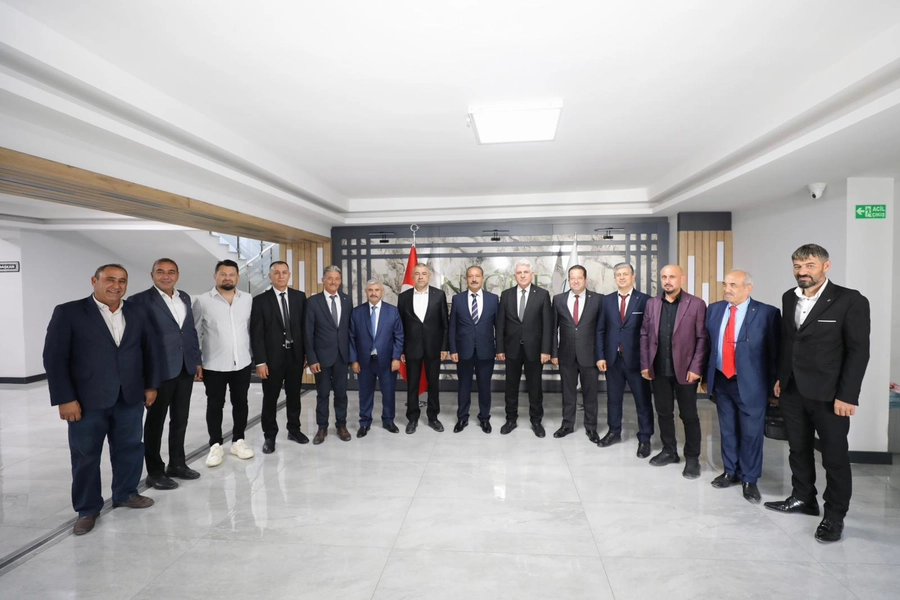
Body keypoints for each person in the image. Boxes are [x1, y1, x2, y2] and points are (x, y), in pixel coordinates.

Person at [764, 244, 870, 543]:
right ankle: (803, 498)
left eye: (809, 265)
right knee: (797, 448)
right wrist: (781, 377)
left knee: (834, 456)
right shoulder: (789, 297)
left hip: (829, 394)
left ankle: (834, 516)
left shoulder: (850, 300)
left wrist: (848, 395)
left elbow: (858, 351)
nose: (802, 271)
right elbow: (789, 342)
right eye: (798, 266)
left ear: (826, 266)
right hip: (793, 390)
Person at [43, 264, 159, 535]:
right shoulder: (69, 312)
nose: (116, 286)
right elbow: (54, 358)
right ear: (94, 281)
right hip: (86, 401)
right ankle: (87, 508)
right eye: (110, 280)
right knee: (85, 455)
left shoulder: (138, 311)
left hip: (129, 396)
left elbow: (150, 350)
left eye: (122, 281)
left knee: (130, 448)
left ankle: (126, 493)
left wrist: (151, 386)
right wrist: (64, 398)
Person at [705, 270, 780, 503]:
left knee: (751, 433)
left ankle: (749, 479)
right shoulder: (714, 310)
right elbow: (708, 345)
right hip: (722, 380)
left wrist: (774, 386)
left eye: (733, 285)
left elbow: (775, 353)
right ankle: (731, 472)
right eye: (725, 284)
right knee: (727, 429)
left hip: (752, 384)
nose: (727, 289)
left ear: (748, 288)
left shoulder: (767, 313)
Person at [129, 258, 203, 490]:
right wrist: (145, 378)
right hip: (158, 371)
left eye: (171, 272)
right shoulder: (139, 301)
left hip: (184, 368)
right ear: (152, 275)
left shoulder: (185, 297)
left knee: (180, 419)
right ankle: (155, 472)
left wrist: (196, 360)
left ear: (177, 275)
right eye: (160, 272)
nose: (166, 276)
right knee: (155, 423)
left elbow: (189, 331)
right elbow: (137, 341)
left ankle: (177, 464)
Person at [640, 264, 709, 479]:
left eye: (672, 277)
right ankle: (669, 451)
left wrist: (696, 368)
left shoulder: (696, 304)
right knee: (664, 412)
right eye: (664, 277)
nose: (667, 281)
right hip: (659, 369)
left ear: (682, 279)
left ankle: (692, 458)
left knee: (689, 415)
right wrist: (645, 364)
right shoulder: (652, 304)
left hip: (686, 371)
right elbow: (644, 335)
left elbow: (702, 338)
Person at [193, 259, 255, 467]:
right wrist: (197, 361)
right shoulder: (202, 301)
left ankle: (238, 441)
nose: (227, 278)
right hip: (214, 364)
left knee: (241, 402)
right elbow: (195, 332)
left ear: (238, 277)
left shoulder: (247, 299)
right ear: (215, 276)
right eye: (223, 274)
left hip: (242, 362)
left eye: (232, 274)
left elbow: (251, 329)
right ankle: (215, 445)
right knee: (215, 405)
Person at [596, 262, 654, 457]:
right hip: (613, 359)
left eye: (625, 274)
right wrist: (600, 356)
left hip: (637, 361)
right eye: (618, 274)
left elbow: (650, 333)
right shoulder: (606, 301)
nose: (621, 277)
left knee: (643, 401)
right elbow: (600, 330)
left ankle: (645, 438)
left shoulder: (645, 300)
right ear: (615, 278)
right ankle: (614, 431)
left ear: (633, 276)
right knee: (613, 399)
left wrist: (648, 361)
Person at [250, 260, 308, 454]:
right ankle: (270, 435)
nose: (281, 276)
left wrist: (306, 353)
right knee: (270, 398)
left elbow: (304, 329)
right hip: (271, 359)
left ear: (289, 275)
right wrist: (260, 361)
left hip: (295, 357)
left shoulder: (299, 297)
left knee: (294, 395)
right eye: (276, 272)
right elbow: (256, 334)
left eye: (284, 272)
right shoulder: (260, 300)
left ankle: (294, 430)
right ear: (270, 276)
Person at [496, 259, 552, 437]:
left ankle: (536, 421)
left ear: (531, 275)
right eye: (519, 272)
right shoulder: (506, 295)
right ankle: (510, 419)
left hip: (535, 350)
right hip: (511, 349)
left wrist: (546, 350)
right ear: (515, 276)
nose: (522, 275)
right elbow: (500, 324)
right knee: (510, 387)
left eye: (525, 272)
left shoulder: (542, 294)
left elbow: (547, 325)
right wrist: (500, 349)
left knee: (535, 388)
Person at [551, 265, 603, 443]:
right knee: (568, 392)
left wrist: (601, 355)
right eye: (572, 278)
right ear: (568, 280)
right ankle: (567, 424)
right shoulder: (558, 299)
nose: (575, 281)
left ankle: (591, 427)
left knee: (590, 393)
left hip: (590, 355)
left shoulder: (598, 300)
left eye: (579, 277)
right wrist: (554, 352)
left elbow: (601, 330)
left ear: (585, 279)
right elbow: (553, 329)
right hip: (566, 355)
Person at [304, 265, 353, 444]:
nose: (334, 282)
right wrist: (312, 358)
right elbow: (308, 332)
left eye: (337, 279)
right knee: (322, 394)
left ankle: (341, 426)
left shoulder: (347, 300)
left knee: (341, 394)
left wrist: (352, 356)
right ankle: (322, 428)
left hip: (342, 356)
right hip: (321, 358)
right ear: (323, 280)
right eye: (330, 278)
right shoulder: (313, 301)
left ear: (340, 281)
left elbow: (350, 329)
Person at [397, 263, 448, 433]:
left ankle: (433, 417)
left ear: (429, 276)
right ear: (413, 276)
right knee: (412, 385)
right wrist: (401, 350)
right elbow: (400, 326)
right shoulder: (403, 297)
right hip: (411, 348)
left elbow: (445, 324)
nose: (420, 277)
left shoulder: (439, 295)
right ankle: (412, 418)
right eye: (417, 273)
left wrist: (444, 347)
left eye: (424, 273)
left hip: (434, 348)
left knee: (433, 384)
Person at [350, 279, 404, 436]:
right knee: (365, 393)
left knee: (388, 392)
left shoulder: (392, 311)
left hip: (387, 361)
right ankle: (365, 422)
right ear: (366, 292)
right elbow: (351, 337)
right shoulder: (357, 312)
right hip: (364, 361)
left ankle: (388, 421)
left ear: (382, 292)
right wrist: (354, 360)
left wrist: (396, 358)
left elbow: (399, 336)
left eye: (377, 290)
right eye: (370, 290)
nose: (373, 293)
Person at [449, 265, 499, 433]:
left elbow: (499, 326)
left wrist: (500, 349)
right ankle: (462, 418)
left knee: (485, 386)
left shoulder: (493, 299)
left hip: (486, 351)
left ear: (482, 278)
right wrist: (453, 350)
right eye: (471, 276)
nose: (474, 279)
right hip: (463, 351)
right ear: (467, 279)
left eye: (477, 276)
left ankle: (484, 418)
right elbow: (452, 326)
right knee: (464, 386)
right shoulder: (458, 299)